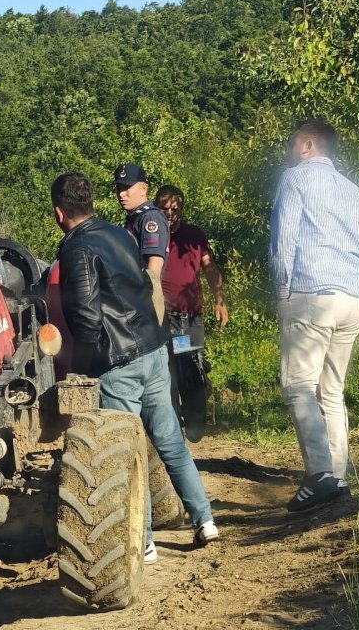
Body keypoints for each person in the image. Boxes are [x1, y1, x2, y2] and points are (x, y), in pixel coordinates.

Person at [51, 172, 218, 564]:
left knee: (125, 454)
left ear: (59, 213)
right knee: (170, 441)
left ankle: (143, 542)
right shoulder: (120, 234)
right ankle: (205, 520)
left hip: (119, 362)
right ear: (90, 202)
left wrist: (82, 369)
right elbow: (146, 284)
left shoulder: (76, 249)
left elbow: (88, 318)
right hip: (154, 350)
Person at [270, 118, 359, 511]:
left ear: (307, 144)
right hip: (353, 297)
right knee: (331, 390)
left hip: (311, 292)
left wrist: (284, 292)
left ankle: (319, 475)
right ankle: (339, 477)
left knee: (298, 386)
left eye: (292, 141)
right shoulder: (357, 193)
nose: (289, 149)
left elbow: (284, 243)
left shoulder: (296, 178)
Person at [157, 185, 229, 441]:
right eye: (164, 209)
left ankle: (195, 419)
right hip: (156, 317)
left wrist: (219, 298)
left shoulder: (194, 235)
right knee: (164, 374)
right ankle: (170, 431)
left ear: (181, 209)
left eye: (174, 209)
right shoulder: (150, 234)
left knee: (190, 367)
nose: (169, 214)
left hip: (187, 316)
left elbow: (209, 266)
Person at [114, 163, 169, 323]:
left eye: (127, 188)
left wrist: (144, 310)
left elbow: (154, 267)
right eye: (119, 188)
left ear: (144, 189)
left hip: (145, 304)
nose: (122, 194)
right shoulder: (135, 218)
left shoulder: (150, 218)